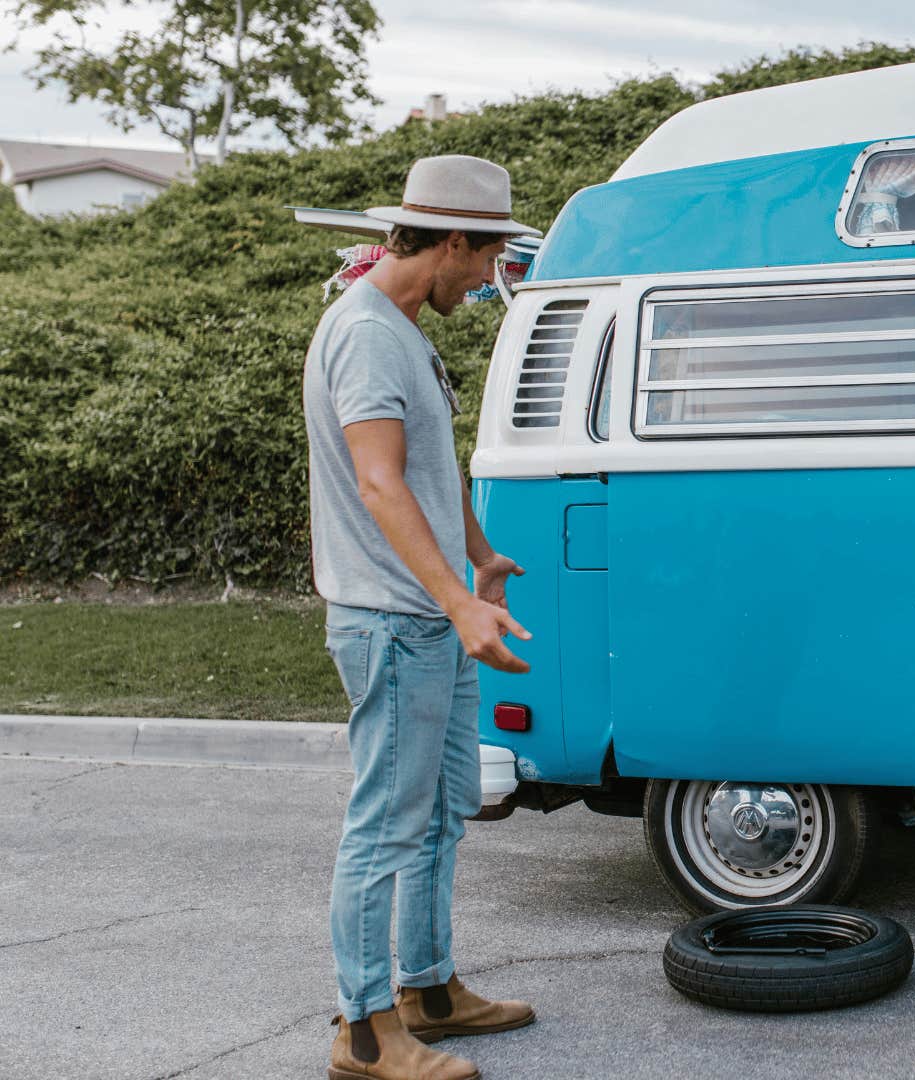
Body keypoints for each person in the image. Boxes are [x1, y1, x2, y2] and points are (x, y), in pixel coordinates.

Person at [305, 154, 542, 1080]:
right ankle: (363, 1031)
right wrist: (454, 600)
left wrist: (478, 556)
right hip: (395, 620)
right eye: (486, 260)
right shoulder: (365, 333)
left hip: (434, 615)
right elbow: (377, 480)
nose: (489, 279)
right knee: (386, 823)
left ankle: (429, 989)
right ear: (450, 242)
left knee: (443, 809)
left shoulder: (404, 325)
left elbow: (429, 467)